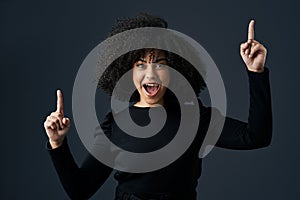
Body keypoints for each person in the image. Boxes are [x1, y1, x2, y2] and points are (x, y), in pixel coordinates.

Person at [44, 13, 272, 200]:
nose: (151, 73)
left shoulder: (196, 119)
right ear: (127, 72)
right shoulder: (115, 124)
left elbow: (256, 137)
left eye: (160, 65)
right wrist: (58, 143)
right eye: (141, 65)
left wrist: (256, 72)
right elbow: (79, 190)